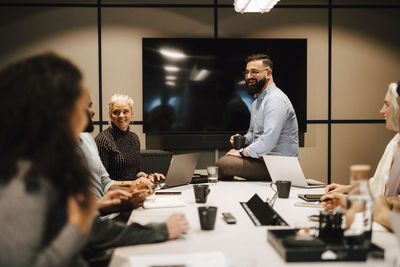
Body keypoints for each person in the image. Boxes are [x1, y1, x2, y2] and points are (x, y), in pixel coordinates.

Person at [0, 53, 98, 267]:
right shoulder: (25, 179)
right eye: (81, 109)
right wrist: (78, 226)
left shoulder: (43, 167)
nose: (85, 118)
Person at [216, 54, 299, 180]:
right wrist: (244, 140)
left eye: (254, 72)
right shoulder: (256, 102)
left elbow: (269, 139)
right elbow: (253, 132)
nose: (249, 77)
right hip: (263, 160)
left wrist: (241, 152)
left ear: (269, 73)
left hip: (279, 166)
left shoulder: (275, 99)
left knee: (223, 164)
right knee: (226, 161)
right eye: (247, 72)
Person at [324, 82, 400, 197]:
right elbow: (379, 182)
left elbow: (391, 200)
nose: (381, 111)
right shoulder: (395, 141)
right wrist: (347, 188)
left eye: (387, 105)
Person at [95, 93, 165, 182]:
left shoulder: (134, 138)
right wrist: (133, 183)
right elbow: (101, 181)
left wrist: (148, 176)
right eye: (116, 112)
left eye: (125, 111)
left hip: (133, 191)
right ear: (110, 115)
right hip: (115, 194)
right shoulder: (103, 139)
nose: (121, 115)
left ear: (132, 113)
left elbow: (135, 172)